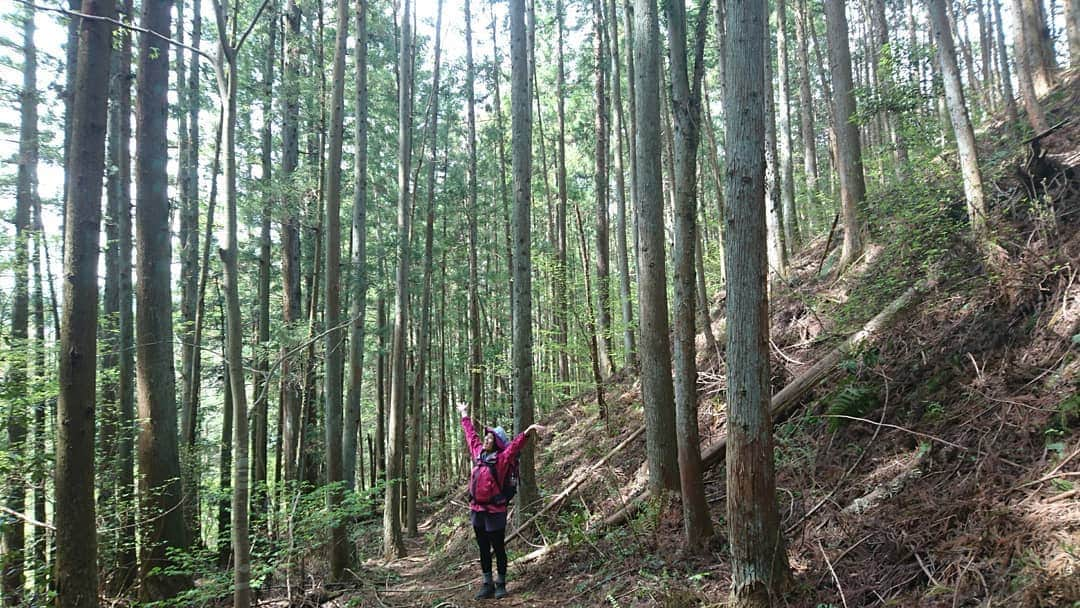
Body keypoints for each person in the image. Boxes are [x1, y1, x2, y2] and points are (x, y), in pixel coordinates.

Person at [456, 401, 546, 600]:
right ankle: (487, 583)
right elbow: (471, 436)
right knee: (482, 547)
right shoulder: (479, 454)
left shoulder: (503, 459)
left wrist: (529, 431)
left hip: (495, 511)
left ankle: (501, 583)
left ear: (496, 442)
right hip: (476, 510)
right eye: (486, 437)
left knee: (498, 547)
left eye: (490, 438)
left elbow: (514, 447)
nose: (486, 440)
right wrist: (464, 414)